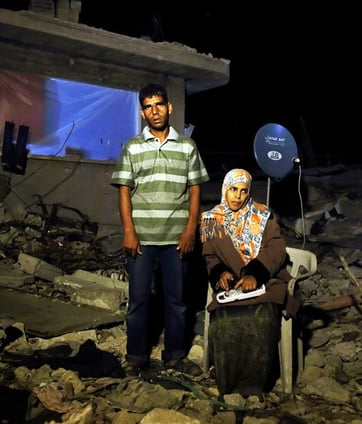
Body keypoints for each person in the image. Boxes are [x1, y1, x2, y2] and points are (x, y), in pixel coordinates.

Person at [110, 83, 209, 377]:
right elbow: (124, 191)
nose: (155, 111)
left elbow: (195, 190)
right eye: (148, 107)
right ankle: (136, 357)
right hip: (141, 238)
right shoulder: (133, 147)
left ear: (169, 108)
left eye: (159, 105)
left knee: (176, 301)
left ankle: (175, 356)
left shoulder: (187, 147)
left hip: (177, 238)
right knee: (139, 299)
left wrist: (190, 230)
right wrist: (129, 232)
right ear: (143, 112)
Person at [200, 168, 300, 397]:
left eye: (243, 191)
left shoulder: (263, 215)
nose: (237, 196)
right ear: (224, 189)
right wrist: (220, 273)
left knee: (261, 322)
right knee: (224, 326)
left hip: (264, 284)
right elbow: (210, 257)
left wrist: (255, 273)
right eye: (233, 189)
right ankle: (228, 386)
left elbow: (277, 249)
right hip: (231, 289)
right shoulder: (210, 220)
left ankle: (254, 388)